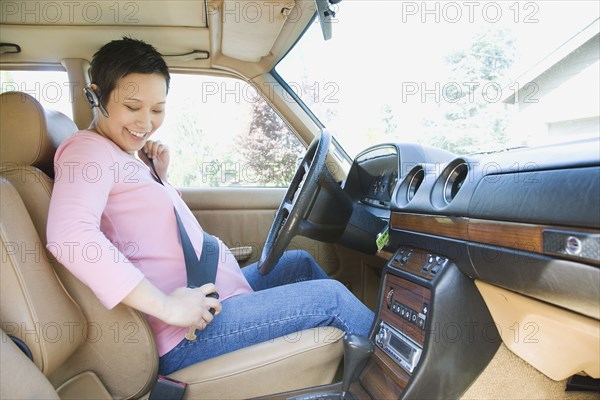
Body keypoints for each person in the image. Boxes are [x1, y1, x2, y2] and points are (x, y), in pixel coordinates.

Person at [46, 37, 374, 376]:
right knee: (332, 299)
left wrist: (159, 178)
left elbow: (143, 225)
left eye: (157, 109)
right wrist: (168, 307)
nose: (146, 123)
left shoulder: (122, 155)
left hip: (208, 298)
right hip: (186, 332)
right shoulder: (87, 151)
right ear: (97, 96)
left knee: (300, 264)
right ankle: (410, 381)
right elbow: (69, 235)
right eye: (133, 107)